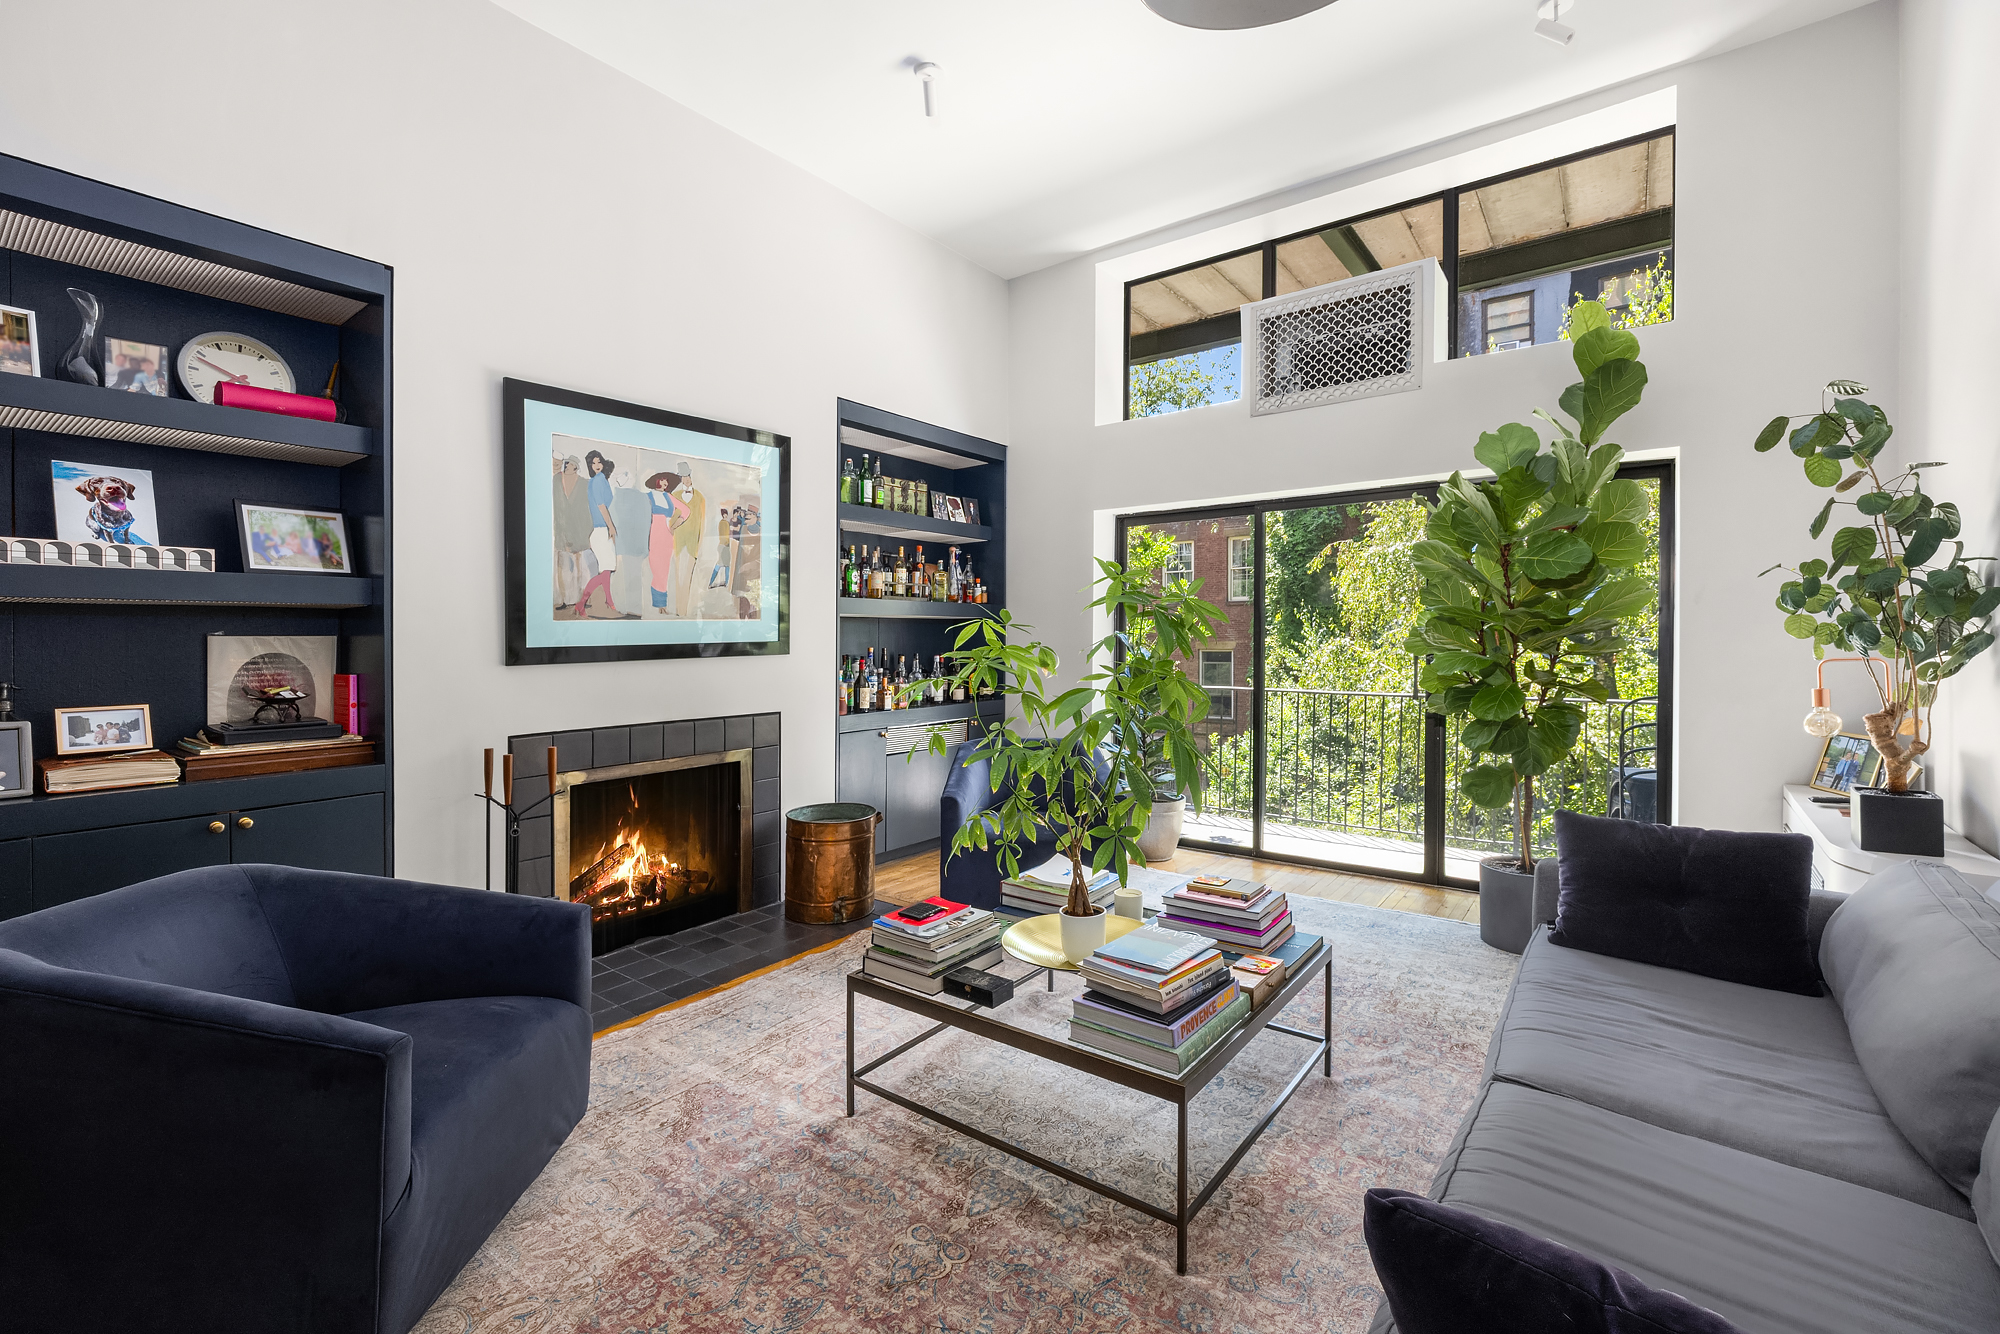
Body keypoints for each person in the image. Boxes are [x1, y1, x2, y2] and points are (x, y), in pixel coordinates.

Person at [574, 450, 628, 618]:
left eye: (599, 462)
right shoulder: (598, 480)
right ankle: (581, 603)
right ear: (590, 466)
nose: (596, 466)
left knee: (607, 570)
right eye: (593, 463)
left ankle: (610, 602)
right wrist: (611, 526)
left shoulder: (599, 480)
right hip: (601, 530)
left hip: (601, 530)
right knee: (605, 572)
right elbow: (601, 506)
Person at [643, 471, 690, 613]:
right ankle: (658, 603)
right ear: (655, 481)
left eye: (666, 481)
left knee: (664, 570)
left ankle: (661, 605)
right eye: (662, 480)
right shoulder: (647, 497)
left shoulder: (669, 497)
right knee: (655, 568)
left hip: (667, 537)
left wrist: (674, 525)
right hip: (652, 536)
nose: (665, 483)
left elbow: (686, 511)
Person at [552, 455, 593, 609]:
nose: (568, 467)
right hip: (561, 528)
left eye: (572, 465)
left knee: (580, 565)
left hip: (580, 529)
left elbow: (588, 507)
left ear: (576, 467)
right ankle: (565, 599)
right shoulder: (556, 480)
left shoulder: (584, 483)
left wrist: (588, 529)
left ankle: (581, 599)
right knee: (563, 565)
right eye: (567, 464)